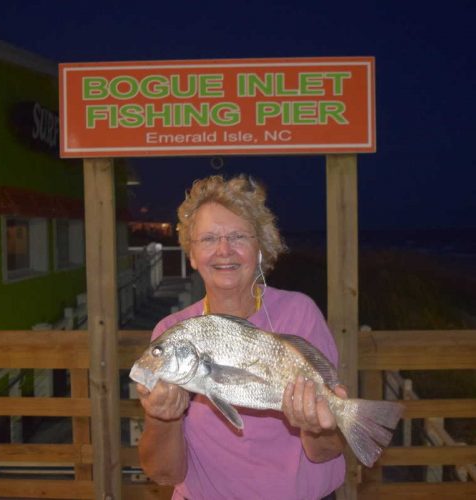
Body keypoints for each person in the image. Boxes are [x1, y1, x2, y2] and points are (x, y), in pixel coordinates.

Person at [136, 174, 347, 500]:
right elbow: (164, 474)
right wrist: (161, 417)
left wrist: (319, 425)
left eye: (238, 236)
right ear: (191, 255)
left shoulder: (300, 314)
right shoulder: (172, 332)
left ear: (260, 248)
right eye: (208, 239)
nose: (224, 250)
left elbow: (324, 452)